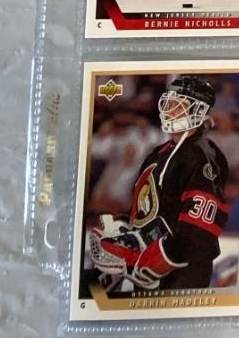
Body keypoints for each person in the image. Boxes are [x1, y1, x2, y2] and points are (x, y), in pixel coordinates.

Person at [85, 76, 229, 294]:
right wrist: (123, 226)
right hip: (146, 266)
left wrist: (164, 256)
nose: (169, 110)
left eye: (177, 105)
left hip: (180, 269)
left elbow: (201, 224)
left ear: (198, 111)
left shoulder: (203, 155)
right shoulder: (158, 153)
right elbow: (146, 209)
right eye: (168, 103)